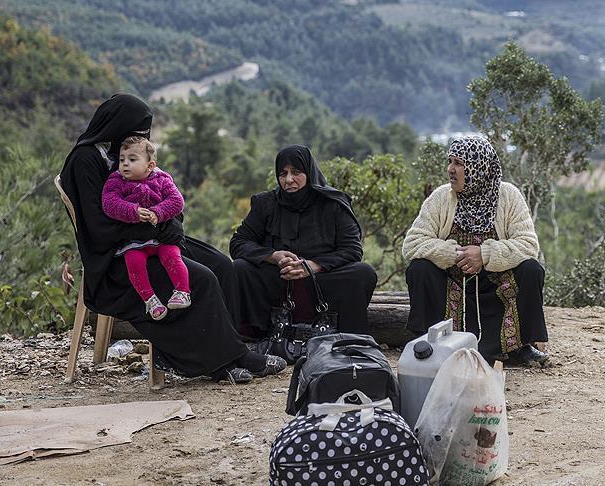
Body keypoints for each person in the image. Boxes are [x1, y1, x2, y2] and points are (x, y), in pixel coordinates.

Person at [59, 93, 285, 383]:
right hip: (116, 258)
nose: (141, 139)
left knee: (221, 265)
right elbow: (98, 225)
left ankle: (231, 350)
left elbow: (157, 191)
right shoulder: (85, 160)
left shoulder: (116, 152)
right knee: (201, 278)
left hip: (151, 237)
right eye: (137, 132)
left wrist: (170, 222)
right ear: (118, 125)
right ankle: (220, 362)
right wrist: (153, 229)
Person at [402, 136, 550, 366]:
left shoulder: (509, 196)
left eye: (458, 163)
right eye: (450, 162)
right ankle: (429, 344)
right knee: (419, 269)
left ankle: (518, 348)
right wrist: (453, 254)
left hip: (497, 286)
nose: (450, 169)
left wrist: (484, 255)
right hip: (453, 285)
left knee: (531, 269)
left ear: (478, 168)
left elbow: (528, 245)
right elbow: (412, 244)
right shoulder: (441, 197)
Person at [230, 145, 377, 340]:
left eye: (296, 172)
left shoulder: (333, 204)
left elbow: (352, 250)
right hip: (278, 278)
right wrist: (274, 257)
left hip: (322, 279)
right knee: (240, 268)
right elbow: (239, 242)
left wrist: (312, 266)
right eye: (283, 174)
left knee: (362, 273)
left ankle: (348, 339)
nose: (288, 180)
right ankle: (256, 334)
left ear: (309, 172)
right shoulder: (265, 204)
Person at [102, 136, 190, 321]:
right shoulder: (116, 181)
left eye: (132, 159)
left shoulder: (162, 179)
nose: (125, 164)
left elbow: (177, 201)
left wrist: (158, 212)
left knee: (172, 257)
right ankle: (150, 300)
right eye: (122, 159)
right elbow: (109, 203)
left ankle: (182, 291)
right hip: (134, 240)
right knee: (134, 262)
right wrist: (132, 211)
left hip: (162, 237)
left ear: (150, 166)